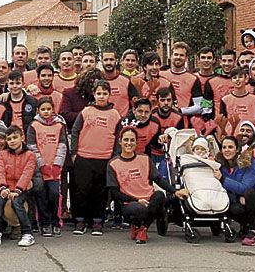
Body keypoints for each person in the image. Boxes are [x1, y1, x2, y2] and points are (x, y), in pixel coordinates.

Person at [108, 126, 181, 244]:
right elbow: (115, 193)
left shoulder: (145, 159)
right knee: (139, 209)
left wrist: (175, 191)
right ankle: (137, 224)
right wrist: (137, 200)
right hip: (130, 202)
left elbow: (158, 179)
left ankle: (143, 228)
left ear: (136, 142)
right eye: (126, 140)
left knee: (159, 195)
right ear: (120, 141)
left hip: (149, 199)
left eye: (132, 140)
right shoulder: (113, 164)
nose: (129, 143)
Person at [70, 79, 120, 235]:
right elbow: (75, 132)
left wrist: (114, 157)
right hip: (84, 157)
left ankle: (97, 221)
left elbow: (119, 137)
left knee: (100, 192)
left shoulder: (115, 114)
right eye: (99, 93)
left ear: (109, 95)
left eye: (105, 93)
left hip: (104, 158)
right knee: (82, 191)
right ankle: (80, 220)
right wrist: (74, 153)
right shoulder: (86, 112)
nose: (102, 96)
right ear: (94, 94)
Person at [0, 125, 37, 247]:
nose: (12, 141)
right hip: (7, 186)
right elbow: (0, 171)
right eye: (9, 138)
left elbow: (27, 174)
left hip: (22, 188)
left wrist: (18, 190)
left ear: (22, 137)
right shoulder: (2, 154)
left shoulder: (30, 155)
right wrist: (3, 187)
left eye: (15, 137)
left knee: (17, 203)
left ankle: (27, 233)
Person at [27, 96, 67, 237]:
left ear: (53, 110)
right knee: (41, 197)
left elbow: (62, 146)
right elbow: (31, 147)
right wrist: (41, 165)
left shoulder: (59, 126)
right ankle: (44, 223)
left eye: (48, 109)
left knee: (55, 195)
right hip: (40, 170)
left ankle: (56, 222)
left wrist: (57, 164)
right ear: (38, 110)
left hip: (55, 169)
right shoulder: (33, 126)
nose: (46, 112)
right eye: (43, 109)